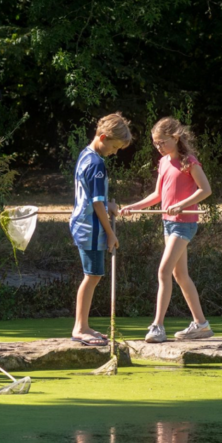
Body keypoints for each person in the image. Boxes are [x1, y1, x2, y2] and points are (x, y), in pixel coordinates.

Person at [121, 116, 213, 343]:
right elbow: (158, 195)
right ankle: (201, 325)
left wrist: (181, 205)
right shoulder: (163, 163)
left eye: (162, 142)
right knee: (179, 274)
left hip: (185, 223)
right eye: (155, 143)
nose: (158, 147)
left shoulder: (189, 162)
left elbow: (205, 189)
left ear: (175, 137)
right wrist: (135, 206)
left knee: (163, 271)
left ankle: (157, 326)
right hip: (168, 223)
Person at [70, 113, 132, 346]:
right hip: (91, 227)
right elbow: (96, 203)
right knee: (92, 275)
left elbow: (94, 197)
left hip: (83, 224)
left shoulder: (86, 155)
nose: (114, 152)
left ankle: (83, 325)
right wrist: (110, 233)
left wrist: (110, 205)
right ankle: (80, 328)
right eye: (114, 147)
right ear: (103, 137)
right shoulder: (97, 164)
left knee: (92, 275)